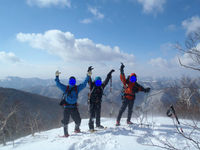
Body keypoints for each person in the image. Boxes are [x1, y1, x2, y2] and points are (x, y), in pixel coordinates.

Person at [55, 67, 92, 137]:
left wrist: (88, 75)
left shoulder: (76, 88)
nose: (72, 83)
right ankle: (66, 134)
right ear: (69, 82)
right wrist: (57, 76)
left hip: (73, 107)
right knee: (66, 121)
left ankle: (76, 129)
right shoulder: (66, 88)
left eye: (73, 81)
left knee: (78, 120)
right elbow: (58, 84)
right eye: (71, 81)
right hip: (67, 107)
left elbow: (84, 84)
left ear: (75, 82)